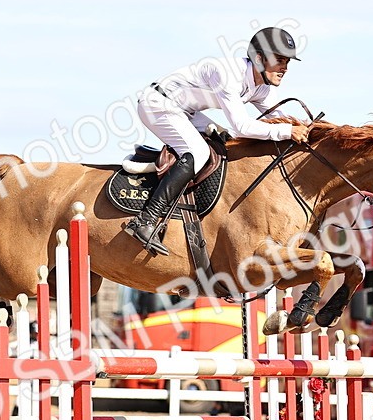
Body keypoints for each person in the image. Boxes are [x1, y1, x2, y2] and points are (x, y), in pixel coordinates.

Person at [124, 26, 312, 255]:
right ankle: (146, 220)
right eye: (280, 60)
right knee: (199, 152)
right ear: (259, 59)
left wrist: (309, 131)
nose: (285, 67)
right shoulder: (228, 74)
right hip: (158, 104)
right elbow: (242, 127)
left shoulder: (262, 87)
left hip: (186, 112)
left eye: (287, 62)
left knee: (224, 144)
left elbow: (278, 119)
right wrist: (286, 132)